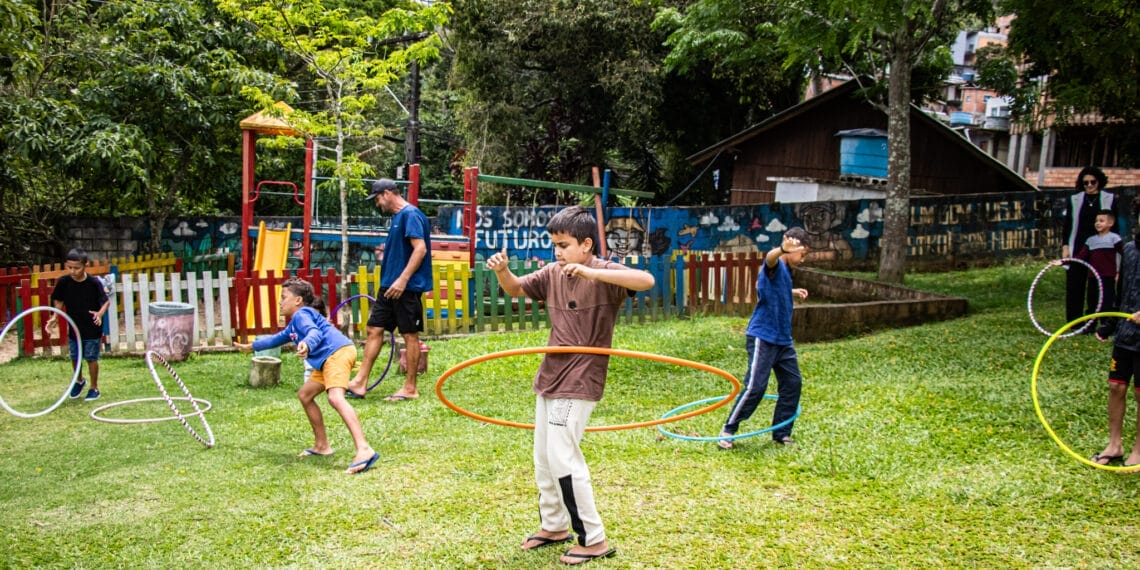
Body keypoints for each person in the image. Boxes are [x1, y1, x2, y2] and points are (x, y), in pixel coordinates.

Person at [485, 206, 655, 565]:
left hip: (582, 375)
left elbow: (646, 281)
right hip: (550, 375)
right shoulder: (552, 272)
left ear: (587, 244)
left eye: (564, 245)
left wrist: (593, 272)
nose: (558, 252)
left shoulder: (605, 271)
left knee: (564, 455)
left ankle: (593, 538)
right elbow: (515, 289)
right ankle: (554, 525)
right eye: (554, 245)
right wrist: (502, 270)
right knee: (544, 458)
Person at [235, 278, 379, 474]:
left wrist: (307, 344)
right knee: (305, 395)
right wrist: (251, 346)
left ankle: (364, 449)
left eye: (284, 297)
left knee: (335, 398)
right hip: (328, 359)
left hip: (336, 353)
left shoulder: (302, 315)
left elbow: (314, 332)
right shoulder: (295, 323)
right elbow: (277, 339)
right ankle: (322, 446)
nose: (280, 302)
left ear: (298, 300)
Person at [718, 228, 810, 450]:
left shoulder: (786, 272)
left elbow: (776, 290)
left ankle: (781, 433)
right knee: (755, 387)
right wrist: (781, 250)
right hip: (763, 336)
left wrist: (792, 291)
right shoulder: (776, 264)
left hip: (783, 340)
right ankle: (728, 430)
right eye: (802, 253)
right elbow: (769, 260)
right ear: (791, 249)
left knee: (792, 384)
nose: (803, 259)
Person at [347, 179, 432, 401]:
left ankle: (410, 388)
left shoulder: (410, 215)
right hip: (388, 287)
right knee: (374, 329)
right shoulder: (397, 218)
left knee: (409, 335)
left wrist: (403, 280)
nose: (377, 205)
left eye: (377, 199)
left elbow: (420, 249)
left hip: (406, 288)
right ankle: (359, 382)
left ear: (387, 193)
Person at [1092, 200, 1140, 468]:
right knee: (1115, 386)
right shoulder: (1130, 249)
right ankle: (1115, 445)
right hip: (1126, 332)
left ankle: (1139, 449)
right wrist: (1110, 323)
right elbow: (1122, 292)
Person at [46, 247, 110, 401]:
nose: (73, 271)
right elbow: (58, 299)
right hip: (74, 325)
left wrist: (99, 314)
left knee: (91, 357)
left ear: (85, 265)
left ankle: (94, 388)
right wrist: (55, 316)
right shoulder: (64, 282)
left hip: (92, 326)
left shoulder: (93, 282)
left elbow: (105, 301)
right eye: (70, 268)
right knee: (75, 356)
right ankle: (79, 381)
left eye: (77, 268)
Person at [1061, 167, 1116, 324]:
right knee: (1075, 284)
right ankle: (1075, 322)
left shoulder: (1109, 198)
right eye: (1085, 183)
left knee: (1098, 285)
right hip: (1078, 247)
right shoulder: (1075, 199)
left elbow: (1116, 225)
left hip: (1101, 248)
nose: (1089, 185)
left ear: (1099, 182)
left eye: (1093, 182)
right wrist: (1065, 246)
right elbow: (1068, 225)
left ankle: (1099, 319)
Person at [1052, 210, 1122, 328]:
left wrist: (1120, 271)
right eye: (1096, 221)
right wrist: (1063, 261)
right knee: (1092, 302)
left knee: (1107, 302)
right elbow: (1080, 257)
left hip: (1107, 276)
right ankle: (1090, 326)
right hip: (1093, 277)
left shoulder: (1114, 238)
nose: (1098, 223)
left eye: (1101, 221)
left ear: (1111, 223)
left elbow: (1125, 253)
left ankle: (1107, 326)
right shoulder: (1091, 240)